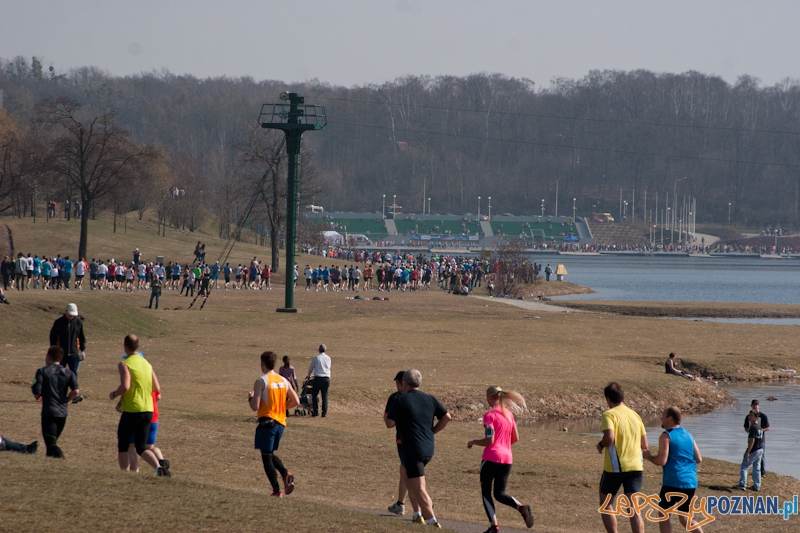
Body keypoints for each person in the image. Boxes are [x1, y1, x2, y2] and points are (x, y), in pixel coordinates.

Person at [385, 369, 452, 528]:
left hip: (412, 448)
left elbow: (389, 423)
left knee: (419, 487)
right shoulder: (430, 399)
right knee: (408, 478)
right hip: (428, 448)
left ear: (404, 382)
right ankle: (417, 515)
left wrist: (388, 416)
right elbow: (447, 417)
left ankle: (432, 521)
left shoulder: (400, 400)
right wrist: (431, 432)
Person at [467, 386, 534, 532]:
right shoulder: (509, 414)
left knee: (486, 493)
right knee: (499, 494)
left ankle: (494, 527)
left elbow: (489, 440)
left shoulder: (489, 415)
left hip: (491, 458)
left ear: (490, 398)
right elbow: (516, 437)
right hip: (507, 458)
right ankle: (521, 507)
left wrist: (473, 442)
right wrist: (503, 446)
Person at [110, 334, 170, 476]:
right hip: (148, 409)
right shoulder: (147, 364)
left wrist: (114, 394)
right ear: (138, 346)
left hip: (132, 409)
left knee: (123, 445)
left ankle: (124, 475)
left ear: (125, 347)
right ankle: (158, 468)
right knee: (142, 447)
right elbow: (156, 387)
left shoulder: (125, 364)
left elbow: (125, 386)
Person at [596, 382, 648, 533]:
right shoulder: (635, 415)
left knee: (606, 504)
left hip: (615, 468)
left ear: (608, 399)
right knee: (634, 508)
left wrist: (601, 445)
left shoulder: (609, 414)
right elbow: (644, 444)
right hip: (636, 467)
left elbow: (609, 437)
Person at [644, 407, 705, 533]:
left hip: (673, 481)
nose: (661, 418)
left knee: (664, 514)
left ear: (670, 418)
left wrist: (649, 457)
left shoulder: (666, 436)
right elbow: (698, 458)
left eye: (663, 416)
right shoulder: (688, 435)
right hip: (690, 482)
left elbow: (661, 461)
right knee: (685, 518)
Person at [248, 350, 300, 497]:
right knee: (269, 454)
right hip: (280, 423)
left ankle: (276, 490)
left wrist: (250, 397)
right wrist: (282, 408)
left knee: (266, 457)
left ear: (263, 364)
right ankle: (285, 474)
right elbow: (296, 401)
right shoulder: (283, 380)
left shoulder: (261, 381)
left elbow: (255, 406)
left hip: (267, 423)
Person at [31, 346, 80, 458]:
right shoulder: (68, 373)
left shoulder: (42, 371)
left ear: (49, 357)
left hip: (49, 412)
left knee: (51, 444)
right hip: (62, 413)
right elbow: (76, 391)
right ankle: (49, 463)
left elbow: (36, 389)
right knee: (51, 444)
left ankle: (62, 459)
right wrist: (66, 400)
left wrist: (37, 396)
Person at [384, 371, 416, 517]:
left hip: (403, 439)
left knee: (408, 472)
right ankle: (401, 503)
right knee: (407, 470)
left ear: (401, 382)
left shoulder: (396, 398)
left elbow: (388, 422)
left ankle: (421, 506)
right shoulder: (420, 397)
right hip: (421, 440)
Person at [49, 303, 86, 377]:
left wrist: (82, 350)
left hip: (74, 354)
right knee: (59, 374)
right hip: (61, 354)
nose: (71, 316)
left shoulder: (78, 322)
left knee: (73, 374)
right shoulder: (59, 322)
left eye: (73, 314)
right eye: (70, 314)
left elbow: (81, 336)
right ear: (66, 311)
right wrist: (54, 350)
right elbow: (53, 337)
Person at [734, 410, 764, 491]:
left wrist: (748, 452)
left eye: (751, 416)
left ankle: (742, 484)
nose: (749, 417)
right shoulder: (759, 427)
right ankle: (757, 486)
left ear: (756, 417)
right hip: (760, 449)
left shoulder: (753, 427)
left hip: (754, 450)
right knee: (757, 468)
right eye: (749, 415)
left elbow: (752, 440)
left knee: (744, 466)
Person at [744, 399, 769, 477]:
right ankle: (755, 471)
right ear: (751, 406)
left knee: (761, 456)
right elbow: (746, 427)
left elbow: (768, 427)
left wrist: (760, 430)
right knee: (752, 454)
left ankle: (762, 472)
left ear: (759, 406)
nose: (755, 406)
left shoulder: (763, 416)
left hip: (761, 439)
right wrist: (749, 431)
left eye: (756, 405)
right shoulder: (748, 417)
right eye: (754, 405)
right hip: (751, 438)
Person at [305, 344, 331, 417]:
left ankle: (315, 411)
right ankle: (324, 412)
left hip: (318, 378)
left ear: (319, 350)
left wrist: (309, 375)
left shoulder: (316, 358)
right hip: (326, 378)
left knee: (314, 394)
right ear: (325, 350)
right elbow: (328, 367)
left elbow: (311, 367)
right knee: (324, 396)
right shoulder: (328, 358)